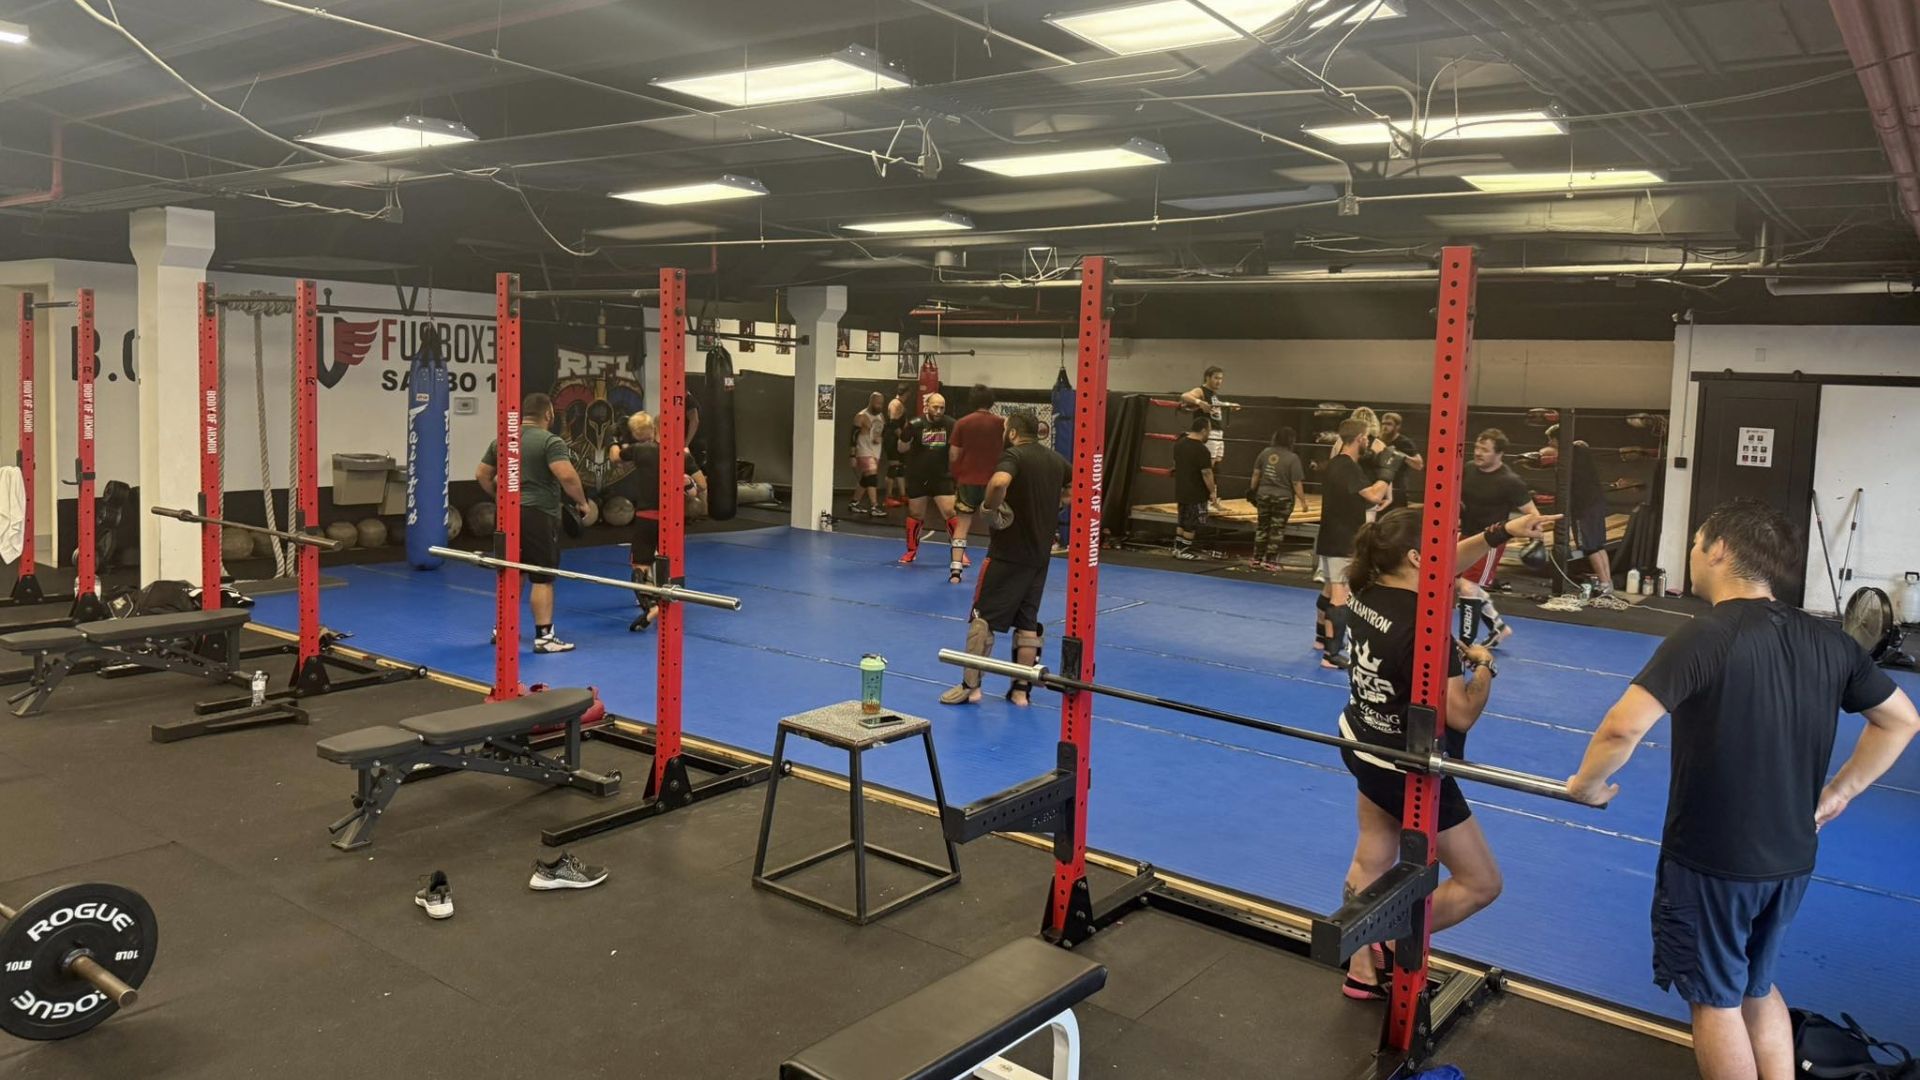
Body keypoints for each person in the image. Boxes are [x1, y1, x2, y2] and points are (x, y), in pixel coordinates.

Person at [1565, 499, 1919, 1080]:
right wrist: (1838, 794)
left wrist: (1588, 785)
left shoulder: (1704, 635)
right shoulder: (1828, 640)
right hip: (1791, 858)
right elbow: (1901, 719)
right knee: (1756, 986)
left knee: (1716, 999)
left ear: (1720, 550)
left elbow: (1623, 725)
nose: (1693, 551)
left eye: (1698, 540)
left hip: (1715, 861)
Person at [1336, 505, 1561, 1001]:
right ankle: (1389, 936)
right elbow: (1458, 714)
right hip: (1405, 764)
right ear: (1417, 557)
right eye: (1439, 544)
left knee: (1372, 853)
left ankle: (1360, 970)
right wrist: (1485, 666)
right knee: (1481, 883)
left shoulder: (1366, 587)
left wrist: (1502, 532)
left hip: (1360, 740)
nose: (1449, 553)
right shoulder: (1424, 624)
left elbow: (1441, 561)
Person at [941, 410, 1069, 707]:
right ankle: (1021, 692)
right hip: (1039, 557)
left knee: (982, 618)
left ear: (1012, 432)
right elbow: (1081, 485)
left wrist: (990, 507)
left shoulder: (1014, 455)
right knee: (1027, 624)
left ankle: (970, 687)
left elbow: (999, 483)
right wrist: (1056, 505)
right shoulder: (1054, 460)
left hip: (1007, 553)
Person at [476, 392, 591, 654]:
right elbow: (567, 476)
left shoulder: (505, 440)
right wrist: (582, 503)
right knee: (542, 576)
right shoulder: (551, 441)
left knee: (510, 570)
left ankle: (503, 629)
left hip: (506, 513)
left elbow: (482, 473)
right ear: (549, 414)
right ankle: (544, 637)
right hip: (537, 514)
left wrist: (500, 496)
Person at [609, 412, 705, 632]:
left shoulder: (643, 450)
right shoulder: (682, 454)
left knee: (640, 565)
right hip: (673, 520)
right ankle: (664, 599)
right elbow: (702, 485)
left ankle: (651, 605)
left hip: (647, 517)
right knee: (668, 560)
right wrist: (687, 483)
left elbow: (615, 456)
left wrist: (614, 439)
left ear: (655, 429)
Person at [1315, 419, 1392, 669]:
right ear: (1359, 438)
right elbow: (1372, 495)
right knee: (1341, 594)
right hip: (1342, 538)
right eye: (1367, 437)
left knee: (1329, 589)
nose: (1368, 442)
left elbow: (1362, 500)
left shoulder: (1336, 464)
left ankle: (1320, 640)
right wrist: (1387, 475)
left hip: (1329, 535)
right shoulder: (1347, 466)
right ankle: (1332, 654)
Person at [1457, 429, 1536, 647]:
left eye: (1485, 450)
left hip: (1490, 541)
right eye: (1477, 448)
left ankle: (1465, 645)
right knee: (1457, 583)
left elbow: (1532, 513)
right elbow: (1459, 498)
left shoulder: (1510, 481)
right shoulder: (1469, 469)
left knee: (1467, 587)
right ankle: (1498, 628)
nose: (1478, 453)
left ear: (1499, 453)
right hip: (1467, 534)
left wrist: (1533, 538)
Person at [1542, 424, 1624, 609]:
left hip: (1583, 506)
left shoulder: (1566, 456)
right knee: (1597, 545)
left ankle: (1604, 585)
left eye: (1551, 440)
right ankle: (1607, 585)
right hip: (1596, 502)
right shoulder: (1580, 449)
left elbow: (1548, 454)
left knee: (1589, 547)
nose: (1549, 443)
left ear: (1557, 440)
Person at [948, 385, 1006, 583]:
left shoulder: (962, 423)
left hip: (967, 481)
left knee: (963, 523)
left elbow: (954, 454)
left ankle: (955, 571)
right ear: (991, 402)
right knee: (997, 526)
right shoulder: (1001, 423)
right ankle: (998, 570)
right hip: (993, 483)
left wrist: (958, 474)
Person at [897, 392, 958, 567]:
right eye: (935, 407)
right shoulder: (916, 424)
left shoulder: (951, 424)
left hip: (941, 476)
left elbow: (957, 449)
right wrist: (905, 435)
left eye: (942, 407)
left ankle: (958, 551)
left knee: (950, 512)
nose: (939, 411)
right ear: (927, 407)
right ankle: (911, 551)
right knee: (916, 514)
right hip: (918, 476)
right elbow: (901, 449)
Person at [1247, 427, 1305, 570]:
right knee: (1277, 529)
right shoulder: (1293, 458)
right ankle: (1271, 561)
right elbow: (1296, 482)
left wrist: (1252, 490)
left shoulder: (1265, 453)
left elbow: (1256, 474)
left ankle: (1256, 558)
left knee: (1262, 527)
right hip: (1283, 497)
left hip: (1264, 494)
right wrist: (1303, 501)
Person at [1180, 366, 1232, 510]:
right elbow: (1185, 396)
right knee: (1207, 466)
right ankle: (1207, 500)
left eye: (1221, 378)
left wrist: (1228, 405)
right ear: (1207, 377)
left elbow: (1215, 407)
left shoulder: (1213, 394)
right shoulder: (1201, 391)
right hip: (1209, 433)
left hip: (1218, 433)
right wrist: (1199, 402)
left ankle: (1213, 500)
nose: (1219, 381)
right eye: (1216, 378)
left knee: (1216, 465)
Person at [1171, 412, 1217, 561]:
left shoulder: (1179, 444)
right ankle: (1184, 550)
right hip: (1196, 492)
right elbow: (1207, 473)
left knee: (1182, 520)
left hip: (1181, 489)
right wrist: (1212, 491)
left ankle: (1177, 549)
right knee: (1191, 522)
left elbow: (1176, 464)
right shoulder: (1202, 450)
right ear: (1204, 431)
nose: (1209, 433)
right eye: (1209, 430)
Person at [848, 391, 887, 517]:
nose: (879, 406)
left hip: (876, 451)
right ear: (871, 402)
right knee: (872, 475)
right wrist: (852, 456)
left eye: (881, 404)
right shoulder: (861, 416)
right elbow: (853, 436)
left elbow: (883, 432)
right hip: (863, 450)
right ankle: (874, 506)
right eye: (877, 403)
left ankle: (854, 503)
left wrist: (881, 438)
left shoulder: (881, 416)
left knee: (866, 478)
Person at [1378, 412, 1424, 510]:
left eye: (1389, 424)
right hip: (1380, 484)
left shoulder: (1404, 442)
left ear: (1397, 426)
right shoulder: (1379, 440)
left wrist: (1399, 455)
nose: (1385, 427)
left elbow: (1419, 465)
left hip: (1397, 486)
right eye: (1383, 424)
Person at [882, 393, 909, 507]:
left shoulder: (900, 404)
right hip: (892, 439)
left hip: (897, 440)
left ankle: (903, 495)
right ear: (907, 393)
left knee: (900, 467)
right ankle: (888, 498)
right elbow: (893, 423)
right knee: (893, 467)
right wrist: (902, 437)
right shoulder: (895, 404)